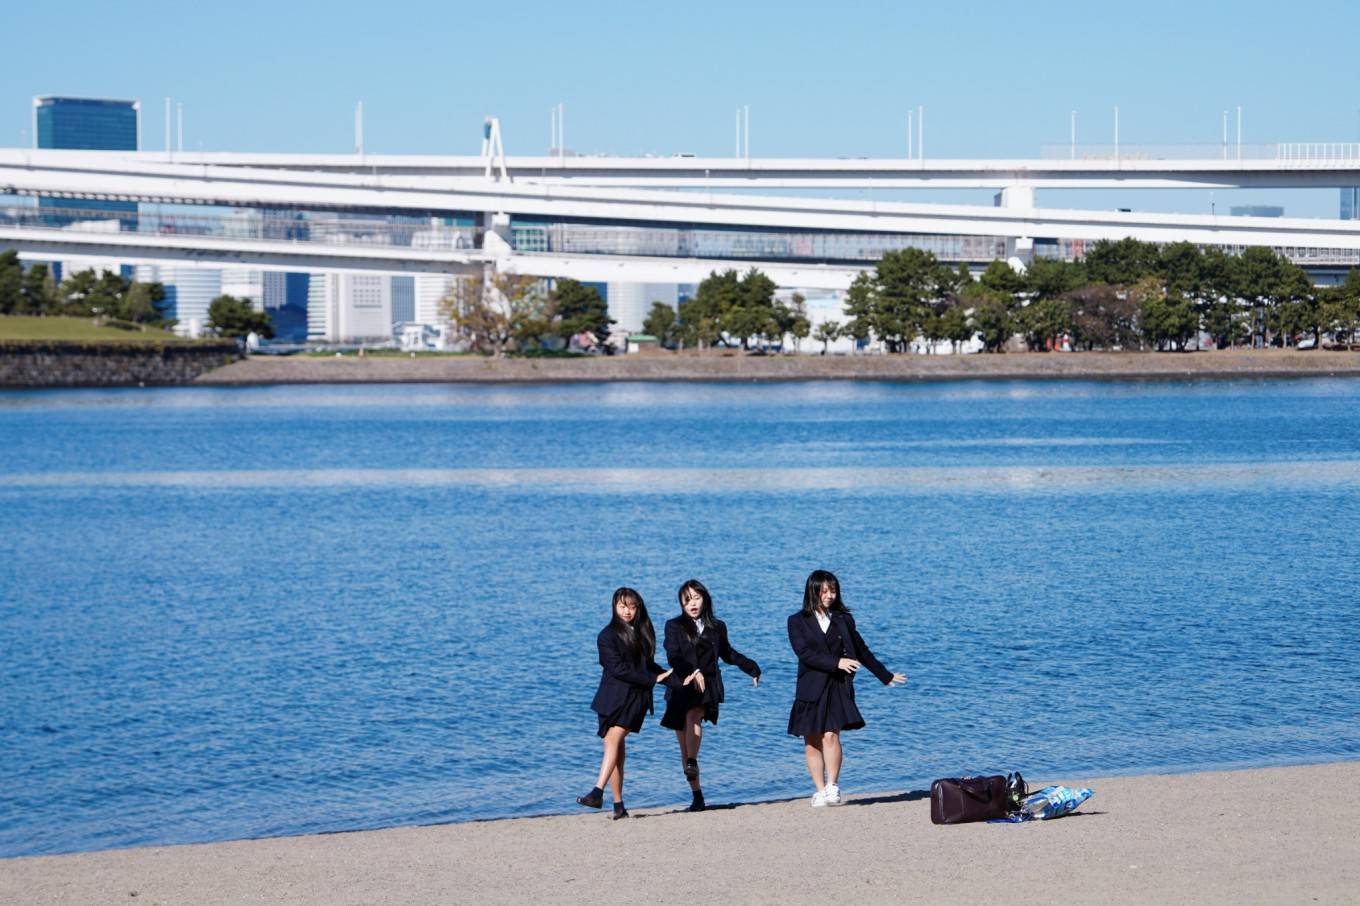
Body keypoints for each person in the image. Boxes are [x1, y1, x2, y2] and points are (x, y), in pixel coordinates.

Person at [786, 570, 906, 807]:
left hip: (837, 685)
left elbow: (861, 650)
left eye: (833, 591)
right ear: (813, 592)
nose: (830, 596)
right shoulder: (796, 621)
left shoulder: (844, 620)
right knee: (811, 740)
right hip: (810, 687)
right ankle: (819, 790)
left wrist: (885, 675)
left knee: (831, 735)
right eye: (824, 591)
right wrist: (836, 662)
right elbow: (804, 654)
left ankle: (832, 785)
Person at [660, 579, 761, 812]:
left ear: (705, 598)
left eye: (696, 598)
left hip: (706, 686)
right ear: (681, 604)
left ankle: (693, 762)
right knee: (684, 749)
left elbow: (727, 654)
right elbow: (673, 657)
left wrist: (751, 668)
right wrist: (692, 672)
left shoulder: (717, 626)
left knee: (693, 717)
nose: (692, 603)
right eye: (687, 600)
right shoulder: (674, 626)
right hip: (681, 685)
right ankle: (697, 796)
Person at [577, 587, 673, 819]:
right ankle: (618, 805)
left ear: (638, 607)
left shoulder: (643, 632)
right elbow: (618, 669)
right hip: (611, 699)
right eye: (622, 606)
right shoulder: (606, 636)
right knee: (616, 750)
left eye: (632, 606)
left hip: (635, 698)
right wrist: (653, 678)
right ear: (614, 607)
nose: (627, 611)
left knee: (613, 740)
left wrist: (672, 678)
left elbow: (649, 667)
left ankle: (597, 791)